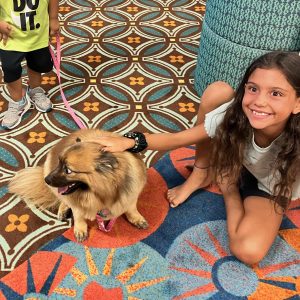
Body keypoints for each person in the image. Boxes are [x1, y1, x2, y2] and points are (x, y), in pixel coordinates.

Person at [89, 51, 300, 265]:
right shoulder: (238, 112)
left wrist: (229, 189)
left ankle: (228, 186)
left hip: (270, 184)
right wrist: (130, 141)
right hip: (236, 158)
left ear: (298, 104)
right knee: (218, 91)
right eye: (253, 89)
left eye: (276, 94)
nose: (259, 102)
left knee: (248, 251)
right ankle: (202, 174)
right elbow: (179, 138)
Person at [0, 0, 59, 129]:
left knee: (38, 63)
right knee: (10, 68)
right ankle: (18, 100)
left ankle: (35, 89)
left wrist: (53, 18)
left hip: (38, 35)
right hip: (10, 37)